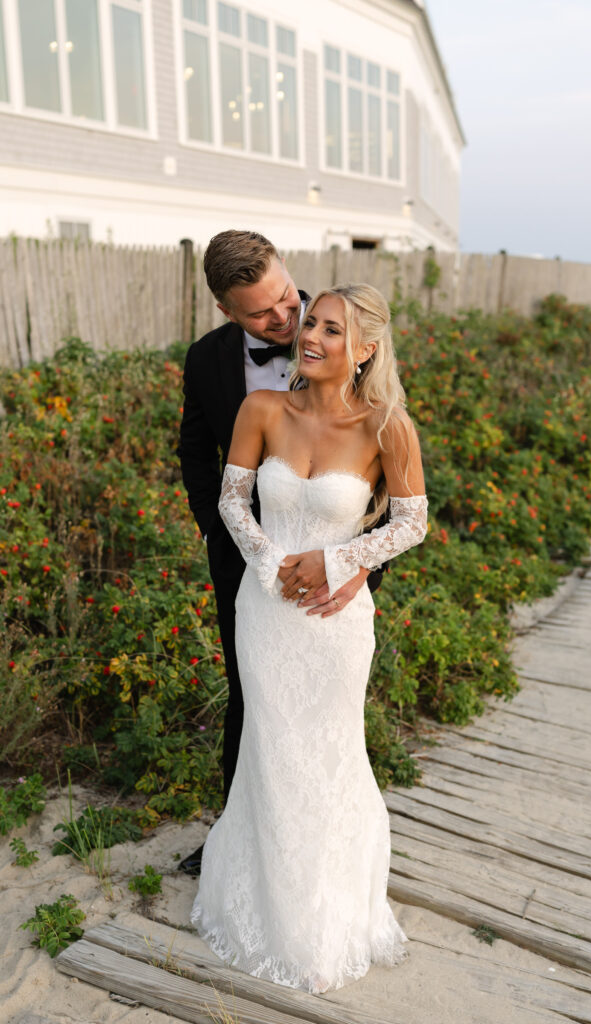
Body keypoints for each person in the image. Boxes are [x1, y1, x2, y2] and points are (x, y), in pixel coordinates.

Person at [190, 283, 427, 993]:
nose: (311, 337)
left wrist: (340, 560)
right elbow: (232, 499)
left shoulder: (388, 426)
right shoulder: (261, 408)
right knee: (271, 748)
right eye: (311, 323)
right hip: (264, 610)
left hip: (335, 620)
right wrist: (269, 564)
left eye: (331, 329)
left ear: (365, 349)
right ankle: (264, 904)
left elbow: (410, 523)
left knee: (329, 752)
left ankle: (331, 911)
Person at [178, 232, 385, 875]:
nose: (288, 321)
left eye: (286, 297)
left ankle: (325, 856)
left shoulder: (338, 326)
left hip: (338, 569)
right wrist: (222, 538)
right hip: (246, 567)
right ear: (227, 314)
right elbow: (195, 453)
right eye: (263, 313)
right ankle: (241, 843)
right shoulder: (207, 360)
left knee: (328, 712)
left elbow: (384, 479)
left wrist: (360, 568)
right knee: (251, 700)